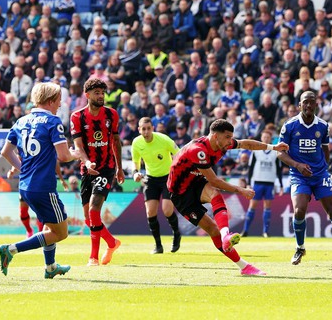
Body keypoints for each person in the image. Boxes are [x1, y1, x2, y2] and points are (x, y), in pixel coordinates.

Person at [166, 119, 289, 276]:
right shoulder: (198, 150)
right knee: (212, 230)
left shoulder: (222, 143)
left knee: (215, 195)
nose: (231, 142)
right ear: (216, 136)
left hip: (196, 182)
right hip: (180, 193)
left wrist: (273, 147)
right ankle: (240, 261)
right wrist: (241, 190)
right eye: (228, 137)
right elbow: (215, 180)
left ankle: (229, 242)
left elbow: (246, 144)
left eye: (231, 137)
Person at [0, 82, 79, 279]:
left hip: (25, 186)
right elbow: (64, 156)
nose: (60, 104)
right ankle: (11, 249)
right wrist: (79, 154)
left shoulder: (21, 121)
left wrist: (21, 167)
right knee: (61, 232)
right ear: (50, 101)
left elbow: (5, 152)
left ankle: (50, 267)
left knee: (48, 226)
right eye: (59, 100)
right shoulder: (53, 122)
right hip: (43, 186)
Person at [277, 91, 332, 265]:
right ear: (299, 105)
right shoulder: (289, 126)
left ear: (316, 105)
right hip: (299, 175)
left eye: (312, 102)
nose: (308, 105)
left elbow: (325, 149)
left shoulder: (322, 126)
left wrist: (323, 169)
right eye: (305, 102)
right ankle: (300, 248)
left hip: (320, 175)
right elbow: (280, 154)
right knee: (299, 210)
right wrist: (298, 165)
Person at [71, 78, 124, 266]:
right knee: (88, 218)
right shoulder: (77, 117)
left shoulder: (112, 114)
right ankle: (112, 242)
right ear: (87, 95)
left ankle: (93, 257)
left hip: (106, 168)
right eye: (97, 93)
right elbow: (78, 145)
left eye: (102, 93)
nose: (101, 96)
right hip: (87, 170)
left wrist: (119, 168)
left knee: (94, 210)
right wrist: (86, 162)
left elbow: (116, 141)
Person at [131, 117, 182, 254]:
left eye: (149, 128)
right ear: (139, 130)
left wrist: (176, 172)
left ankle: (177, 234)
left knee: (167, 210)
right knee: (150, 212)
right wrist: (135, 172)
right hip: (150, 179)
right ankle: (158, 246)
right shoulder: (136, 143)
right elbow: (135, 162)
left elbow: (179, 154)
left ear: (152, 128)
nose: (146, 132)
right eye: (143, 129)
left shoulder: (163, 139)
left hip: (167, 178)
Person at [242, 130, 284, 238]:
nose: (266, 139)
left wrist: (281, 185)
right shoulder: (256, 152)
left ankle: (265, 231)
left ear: (270, 139)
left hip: (269, 182)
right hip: (258, 182)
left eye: (268, 137)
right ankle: (245, 230)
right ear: (261, 138)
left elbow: (279, 170)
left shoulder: (275, 152)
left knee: (267, 207)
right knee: (252, 206)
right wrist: (248, 183)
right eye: (264, 137)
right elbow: (250, 168)